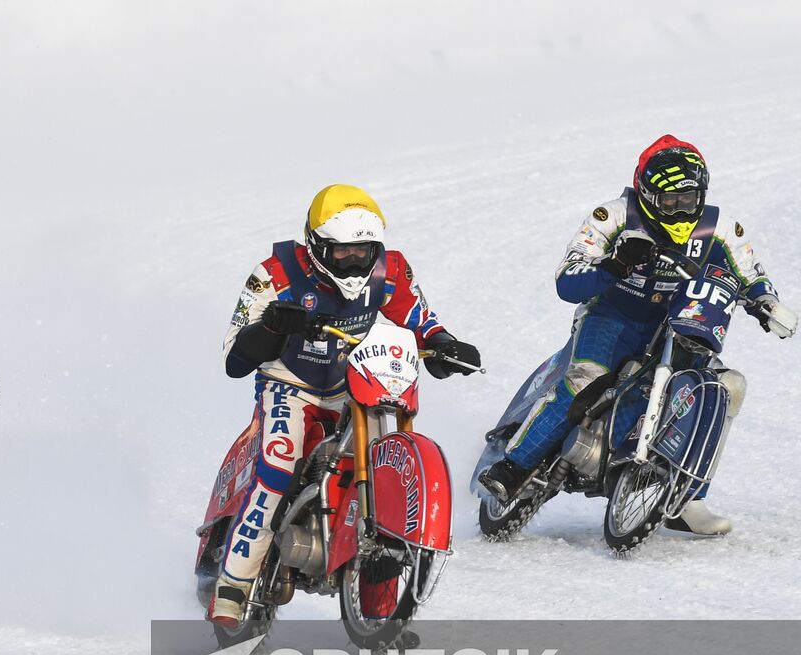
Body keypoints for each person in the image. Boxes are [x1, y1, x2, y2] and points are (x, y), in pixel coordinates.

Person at [478, 135, 795, 535]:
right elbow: (567, 281)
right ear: (646, 195)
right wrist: (613, 265)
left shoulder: (721, 230)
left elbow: (750, 274)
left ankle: (687, 495)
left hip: (681, 324)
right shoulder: (611, 217)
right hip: (613, 318)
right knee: (584, 380)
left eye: (689, 198)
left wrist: (766, 303)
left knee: (728, 388)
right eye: (669, 202)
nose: (681, 210)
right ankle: (513, 466)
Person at [208, 184, 481, 627]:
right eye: (342, 253)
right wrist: (275, 324)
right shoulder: (274, 274)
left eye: (363, 250)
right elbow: (234, 359)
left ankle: (378, 603)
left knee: (381, 458)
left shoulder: (391, 270)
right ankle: (233, 586)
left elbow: (419, 318)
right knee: (278, 468)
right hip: (289, 383)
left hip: (355, 382)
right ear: (316, 246)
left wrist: (445, 346)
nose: (355, 261)